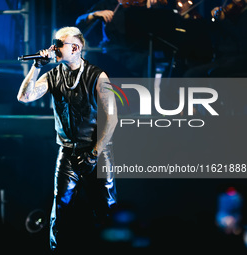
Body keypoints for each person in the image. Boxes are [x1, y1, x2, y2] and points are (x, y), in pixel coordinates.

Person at [17, 26, 118, 253]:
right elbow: (24, 97)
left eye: (59, 44)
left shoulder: (97, 76)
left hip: (97, 151)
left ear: (75, 47)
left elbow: (111, 119)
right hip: (68, 151)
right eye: (54, 43)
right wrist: (36, 67)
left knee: (106, 209)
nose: (54, 48)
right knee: (60, 211)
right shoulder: (53, 75)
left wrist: (94, 154)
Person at [75, 0, 164, 77]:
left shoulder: (140, 4)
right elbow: (79, 22)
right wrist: (93, 14)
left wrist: (152, 9)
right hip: (111, 53)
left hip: (136, 55)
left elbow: (157, 28)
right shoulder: (107, 4)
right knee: (91, 58)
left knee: (147, 58)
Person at [183, 0, 247, 77]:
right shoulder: (234, 11)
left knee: (192, 74)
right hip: (224, 57)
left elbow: (240, 37)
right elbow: (212, 32)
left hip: (239, 59)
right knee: (190, 68)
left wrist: (224, 21)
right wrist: (216, 19)